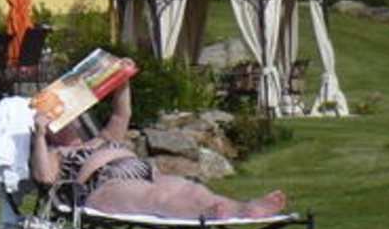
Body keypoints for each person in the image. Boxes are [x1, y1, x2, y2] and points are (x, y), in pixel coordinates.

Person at [31, 83, 286, 221]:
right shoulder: (57, 154)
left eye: (71, 118)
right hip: (103, 185)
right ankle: (209, 212)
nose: (70, 122)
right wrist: (40, 135)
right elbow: (44, 178)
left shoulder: (100, 139)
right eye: (60, 121)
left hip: (144, 172)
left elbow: (122, 114)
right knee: (156, 198)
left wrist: (122, 78)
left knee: (191, 188)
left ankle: (244, 209)